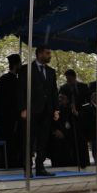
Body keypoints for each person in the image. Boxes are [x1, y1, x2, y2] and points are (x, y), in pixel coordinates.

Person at [17, 45, 60, 177]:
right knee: (29, 140)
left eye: (50, 53)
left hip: (47, 111)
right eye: (47, 53)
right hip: (31, 110)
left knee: (43, 140)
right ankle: (28, 168)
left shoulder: (51, 71)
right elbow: (21, 90)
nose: (49, 56)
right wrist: (23, 108)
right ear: (39, 54)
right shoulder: (26, 69)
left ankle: (40, 167)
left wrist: (56, 109)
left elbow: (54, 91)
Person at [0, 53, 23, 168]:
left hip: (5, 119)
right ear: (16, 65)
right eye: (19, 64)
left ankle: (4, 163)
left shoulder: (4, 79)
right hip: (10, 118)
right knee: (11, 141)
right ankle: (10, 163)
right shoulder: (12, 80)